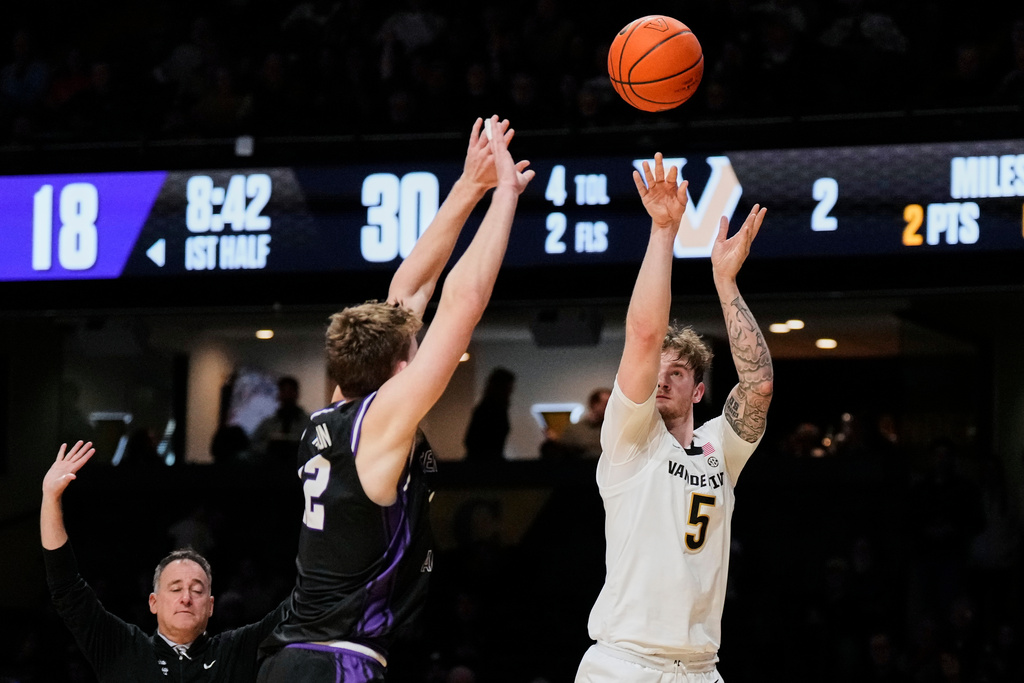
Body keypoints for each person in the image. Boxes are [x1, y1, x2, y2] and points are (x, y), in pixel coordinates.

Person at [257, 115, 534, 682]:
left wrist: (468, 187)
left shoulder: (335, 409)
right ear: (402, 369)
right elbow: (463, 303)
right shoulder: (384, 421)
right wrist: (504, 196)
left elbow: (407, 291)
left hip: (296, 659)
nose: (421, 332)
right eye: (415, 343)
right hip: (338, 659)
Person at [574, 153, 773, 682]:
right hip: (624, 665)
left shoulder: (719, 450)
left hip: (700, 670)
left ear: (699, 390)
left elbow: (759, 386)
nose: (661, 380)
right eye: (657, 372)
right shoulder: (629, 439)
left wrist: (726, 282)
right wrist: (664, 231)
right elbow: (643, 333)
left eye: (678, 373)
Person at [41, 440, 287, 682]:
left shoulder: (234, 651)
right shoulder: (123, 648)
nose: (186, 597)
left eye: (197, 590)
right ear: (153, 602)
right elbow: (66, 590)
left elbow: (303, 605)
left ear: (211, 606)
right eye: (176, 588)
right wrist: (50, 499)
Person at [251, 376, 311, 462]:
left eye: (290, 391)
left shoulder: (308, 423)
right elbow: (254, 444)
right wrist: (268, 447)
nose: (287, 395)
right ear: (279, 394)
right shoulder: (268, 423)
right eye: (284, 391)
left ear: (296, 394)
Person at [463, 366, 515, 462]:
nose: (511, 391)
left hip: (480, 465)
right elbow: (472, 441)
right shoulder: (493, 410)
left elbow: (470, 441)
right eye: (509, 388)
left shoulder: (485, 408)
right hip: (486, 465)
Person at [544, 387, 611, 460]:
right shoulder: (574, 430)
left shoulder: (615, 429)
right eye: (606, 403)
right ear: (594, 404)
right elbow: (564, 452)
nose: (611, 407)